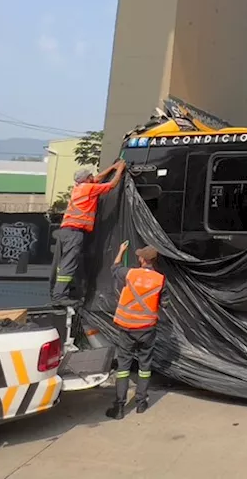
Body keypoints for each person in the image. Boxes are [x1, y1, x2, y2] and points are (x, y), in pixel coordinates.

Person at [51, 159, 126, 305]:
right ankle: (59, 296)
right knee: (69, 264)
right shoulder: (89, 189)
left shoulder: (78, 187)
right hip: (75, 232)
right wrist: (120, 169)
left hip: (66, 230)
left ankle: (62, 292)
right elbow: (112, 185)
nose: (93, 177)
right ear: (86, 179)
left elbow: (96, 178)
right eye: (90, 176)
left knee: (66, 263)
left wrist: (112, 166)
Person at [106, 240, 165, 420]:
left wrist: (121, 251)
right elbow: (166, 304)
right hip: (147, 330)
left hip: (127, 327)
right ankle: (141, 403)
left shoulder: (130, 274)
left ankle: (120, 407)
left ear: (141, 259)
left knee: (123, 367)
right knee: (145, 366)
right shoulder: (160, 279)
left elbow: (114, 268)